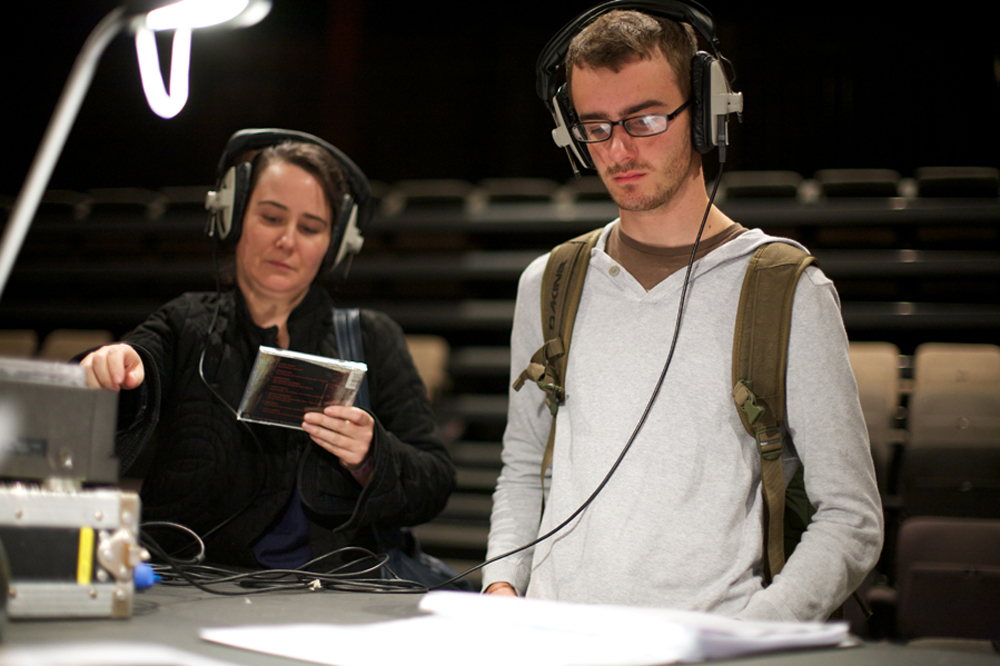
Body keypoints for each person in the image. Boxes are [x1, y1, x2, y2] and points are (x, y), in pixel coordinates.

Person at [482, 4, 883, 621]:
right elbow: (521, 471)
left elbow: (851, 518)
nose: (618, 150)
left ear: (706, 110)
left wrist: (751, 637)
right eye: (596, 126)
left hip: (709, 647)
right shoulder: (549, 282)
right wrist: (502, 589)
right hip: (550, 641)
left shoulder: (785, 290)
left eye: (645, 119)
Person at [80, 130, 456, 572]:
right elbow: (122, 379)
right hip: (191, 589)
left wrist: (374, 456)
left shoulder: (373, 337)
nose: (288, 241)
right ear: (233, 216)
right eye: (272, 218)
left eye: (310, 228)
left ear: (335, 245)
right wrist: (109, 369)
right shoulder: (184, 324)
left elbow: (435, 479)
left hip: (331, 598)